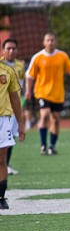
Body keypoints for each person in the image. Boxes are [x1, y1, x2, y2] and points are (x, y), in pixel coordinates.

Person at [25, 32, 70, 155]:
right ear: (44, 42)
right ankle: (43, 145)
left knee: (56, 119)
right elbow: (29, 76)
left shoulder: (62, 56)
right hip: (42, 92)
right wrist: (28, 90)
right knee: (45, 114)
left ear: (55, 42)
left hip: (58, 94)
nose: (50, 42)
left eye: (52, 40)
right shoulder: (38, 57)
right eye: (48, 40)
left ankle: (52, 146)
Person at [0, 42, 25, 209]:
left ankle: (1, 197)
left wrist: (21, 124)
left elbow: (15, 98)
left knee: (1, 159)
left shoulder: (8, 71)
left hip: (3, 120)